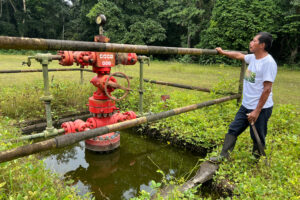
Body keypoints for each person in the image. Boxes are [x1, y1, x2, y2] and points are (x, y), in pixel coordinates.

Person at [210, 32, 277, 163]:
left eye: (254, 41)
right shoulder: (253, 58)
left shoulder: (268, 63)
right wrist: (223, 52)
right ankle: (223, 156)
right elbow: (239, 56)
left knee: (257, 135)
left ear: (262, 45)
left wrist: (256, 111)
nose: (250, 43)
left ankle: (255, 162)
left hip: (261, 108)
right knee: (233, 128)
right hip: (246, 105)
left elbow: (267, 89)